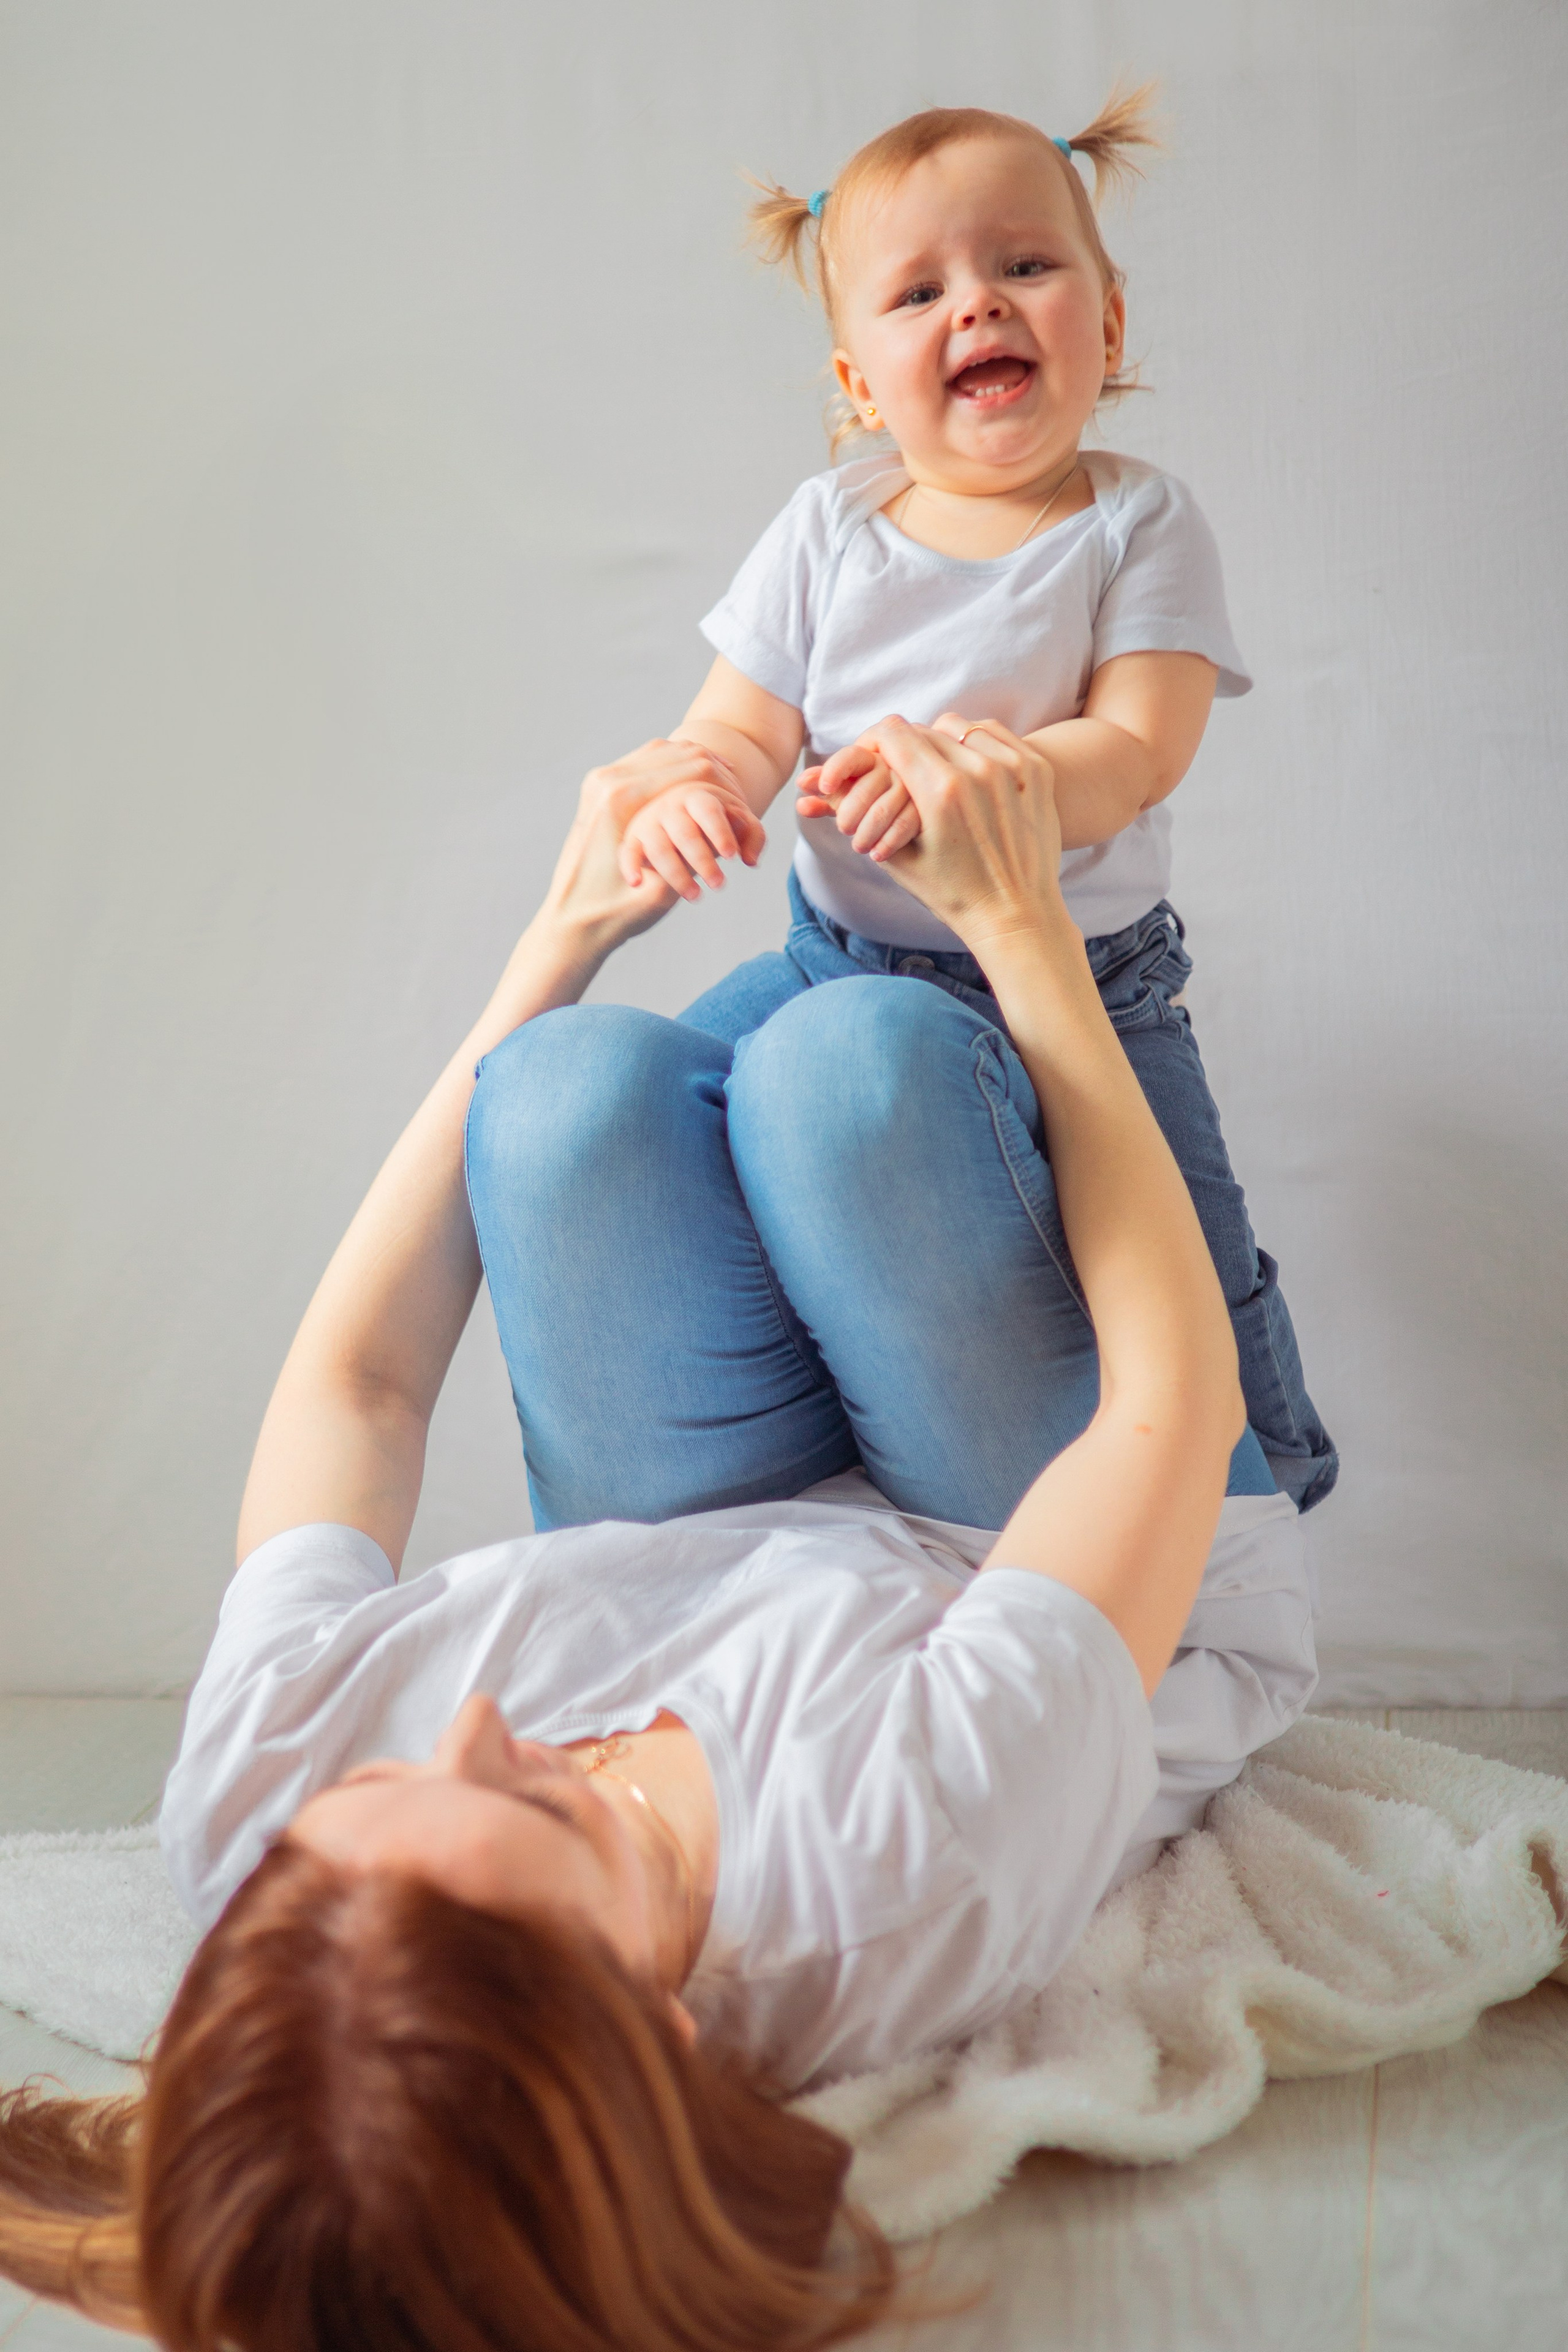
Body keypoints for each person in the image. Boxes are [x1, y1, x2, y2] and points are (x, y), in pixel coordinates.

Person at [0, 723, 1314, 2350]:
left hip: (720, 1531)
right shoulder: (900, 1859)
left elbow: (364, 1389)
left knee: (552, 1100)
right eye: (540, 1819)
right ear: (666, 2036)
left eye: (387, 1779)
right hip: (1067, 1538)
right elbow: (1161, 1413)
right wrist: (1030, 932)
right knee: (855, 1078)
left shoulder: (265, 1826)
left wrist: (558, 929)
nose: (478, 1727)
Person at [589, 90, 1336, 1512]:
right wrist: (695, 787)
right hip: (838, 966)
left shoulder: (1132, 521)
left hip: (1081, 982)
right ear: (858, 383)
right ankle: (783, 1438)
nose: (976, 305)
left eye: (1023, 267)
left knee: (1174, 1230)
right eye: (918, 288)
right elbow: (739, 723)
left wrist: (989, 777)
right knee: (650, 1127)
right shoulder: (829, 528)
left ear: (1106, 325)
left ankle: (1257, 1484)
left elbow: (1134, 750)